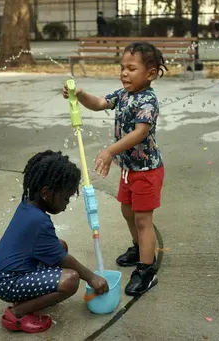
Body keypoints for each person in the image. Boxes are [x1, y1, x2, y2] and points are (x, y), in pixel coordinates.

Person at [62, 42, 166, 296]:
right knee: (128, 212)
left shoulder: (148, 100)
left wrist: (110, 151)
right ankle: (138, 247)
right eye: (122, 68)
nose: (124, 73)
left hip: (146, 172)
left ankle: (146, 269)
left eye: (132, 68)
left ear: (150, 74)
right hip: (129, 170)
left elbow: (141, 133)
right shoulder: (123, 94)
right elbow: (98, 103)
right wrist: (80, 95)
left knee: (143, 220)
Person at [0, 150, 109, 333]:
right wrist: (92, 277)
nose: (66, 205)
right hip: (7, 283)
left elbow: (58, 252)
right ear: (46, 193)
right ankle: (17, 313)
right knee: (70, 280)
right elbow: (64, 260)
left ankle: (26, 298)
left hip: (6, 274)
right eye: (65, 198)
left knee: (60, 245)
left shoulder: (28, 205)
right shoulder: (39, 221)